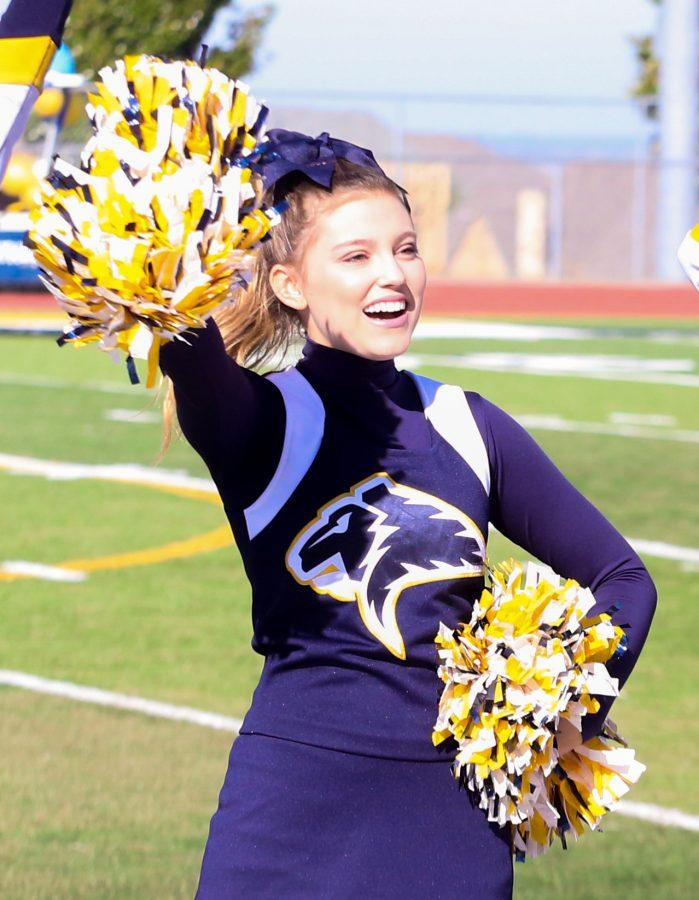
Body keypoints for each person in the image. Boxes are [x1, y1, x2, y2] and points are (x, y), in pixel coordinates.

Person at [157, 130, 657, 899]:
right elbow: (189, 350)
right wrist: (157, 257)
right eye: (355, 257)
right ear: (290, 284)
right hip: (291, 811)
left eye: (406, 249)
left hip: (450, 826)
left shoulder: (466, 424)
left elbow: (623, 578)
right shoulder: (262, 419)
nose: (391, 275)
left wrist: (559, 700)